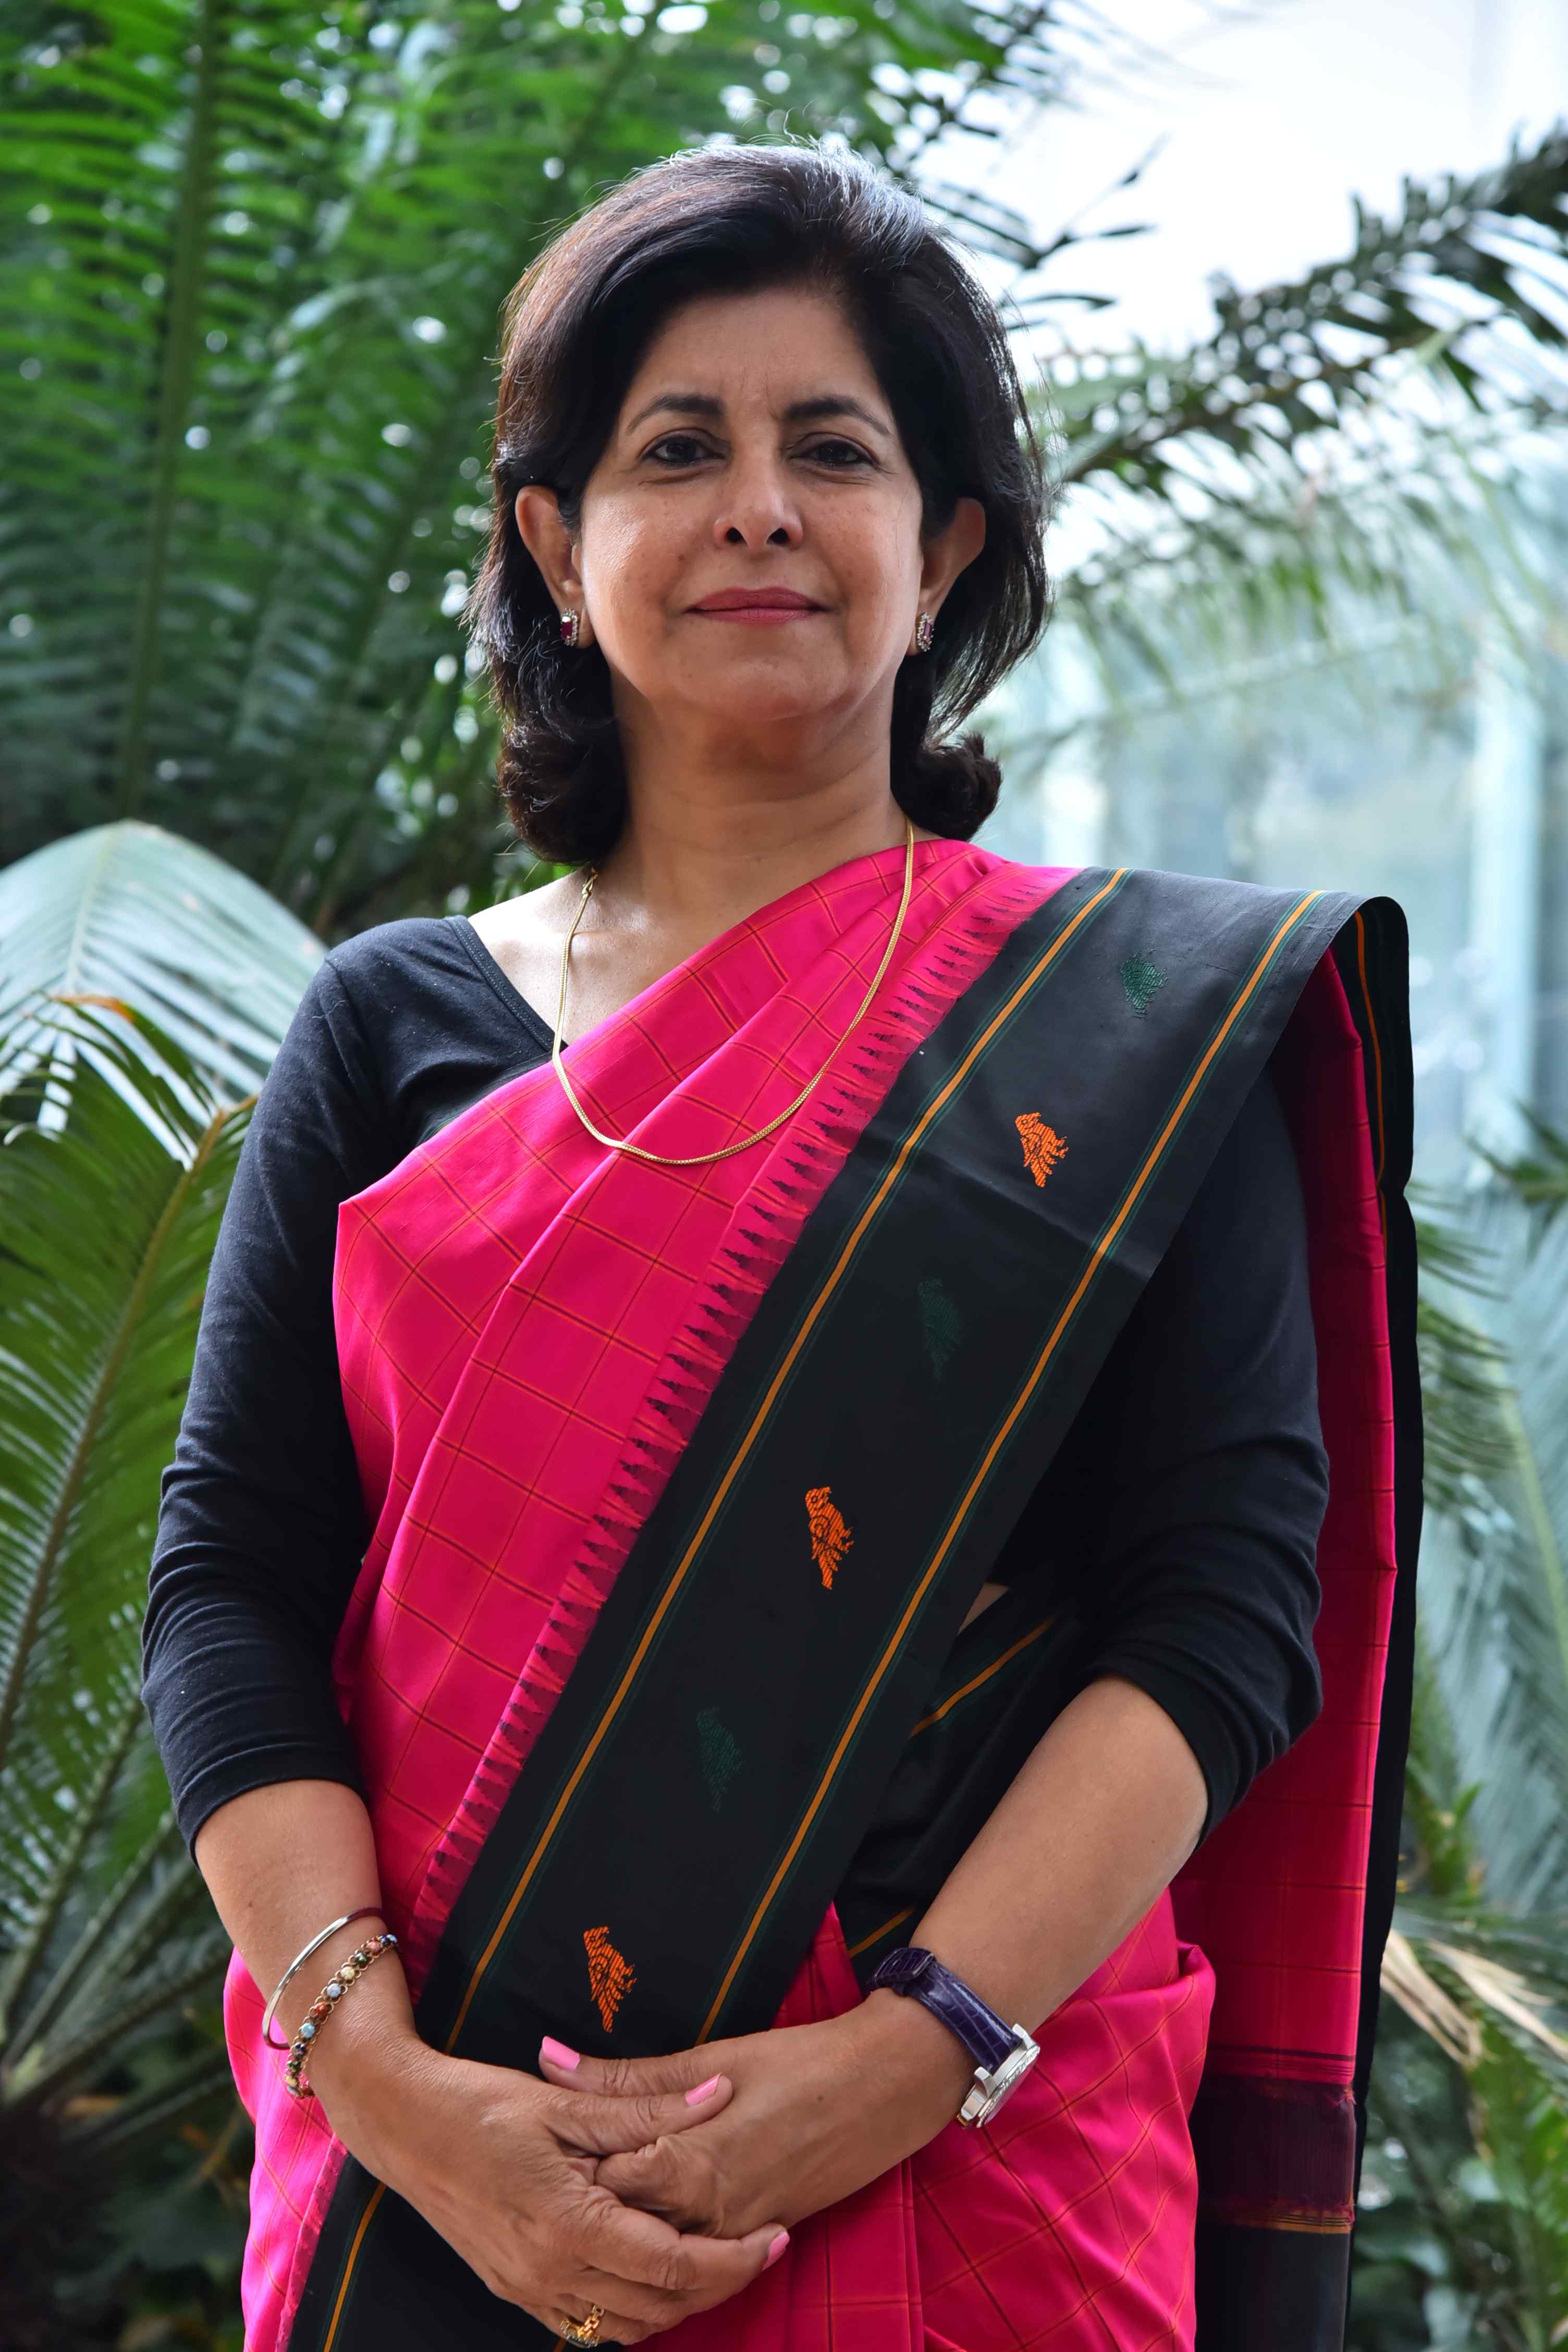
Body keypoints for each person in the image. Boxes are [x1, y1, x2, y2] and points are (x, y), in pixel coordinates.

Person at [143, 141, 1419, 2352]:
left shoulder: (1122, 1038)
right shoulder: (389, 1027)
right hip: (443, 2182)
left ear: (943, 551)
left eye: (832, 449)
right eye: (674, 450)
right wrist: (394, 2095)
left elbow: (1221, 1602)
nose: (756, 507)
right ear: (557, 549)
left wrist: (904, 2065)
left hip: (980, 2165)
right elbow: (230, 1579)